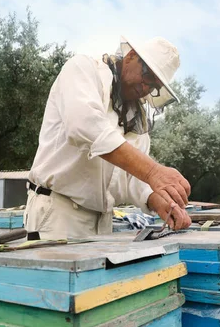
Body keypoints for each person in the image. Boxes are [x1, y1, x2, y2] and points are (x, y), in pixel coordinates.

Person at [25, 36, 192, 239]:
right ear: (131, 56)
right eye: (148, 76)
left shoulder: (135, 117)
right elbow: (84, 126)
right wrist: (153, 172)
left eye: (155, 86)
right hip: (58, 213)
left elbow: (129, 177)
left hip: (102, 221)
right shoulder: (83, 69)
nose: (147, 88)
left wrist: (159, 200)